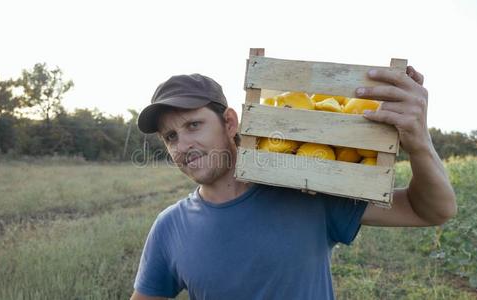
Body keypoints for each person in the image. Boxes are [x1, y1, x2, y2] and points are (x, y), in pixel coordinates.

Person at [130, 70, 457, 300]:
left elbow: (428, 210)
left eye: (193, 125)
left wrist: (419, 143)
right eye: (171, 136)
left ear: (229, 123)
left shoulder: (306, 190)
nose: (183, 145)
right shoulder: (170, 227)